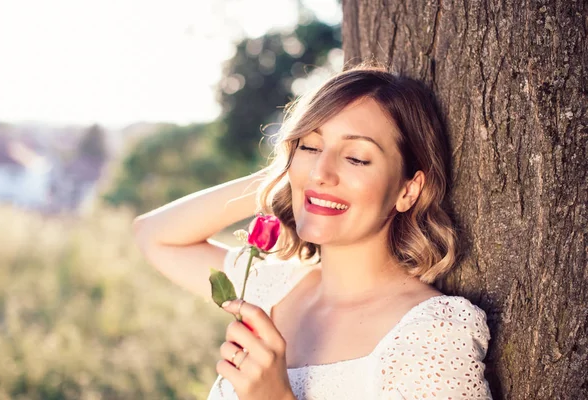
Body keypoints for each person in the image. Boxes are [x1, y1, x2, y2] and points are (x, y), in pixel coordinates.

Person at [133, 63, 493, 399]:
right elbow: (154, 235)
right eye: (309, 145)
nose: (321, 171)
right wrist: (288, 176)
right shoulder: (273, 288)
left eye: (356, 158)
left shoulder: (434, 334)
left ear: (407, 190)